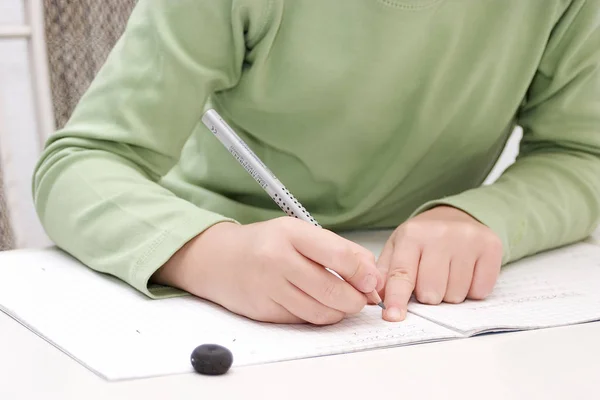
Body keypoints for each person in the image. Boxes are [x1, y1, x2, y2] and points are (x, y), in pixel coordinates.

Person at [32, 0, 600, 325]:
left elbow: (580, 153)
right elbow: (80, 162)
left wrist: (480, 217)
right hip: (220, 288)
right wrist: (208, 253)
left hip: (421, 317)